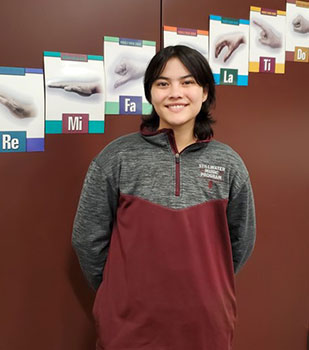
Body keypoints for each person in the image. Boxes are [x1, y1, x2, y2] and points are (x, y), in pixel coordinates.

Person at [72, 45, 256, 350]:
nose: (175, 92)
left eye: (187, 82)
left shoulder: (229, 164)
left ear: (205, 92)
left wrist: (205, 284)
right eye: (163, 83)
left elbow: (240, 243)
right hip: (128, 329)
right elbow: (87, 239)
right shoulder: (117, 158)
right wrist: (117, 294)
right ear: (150, 93)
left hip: (206, 327)